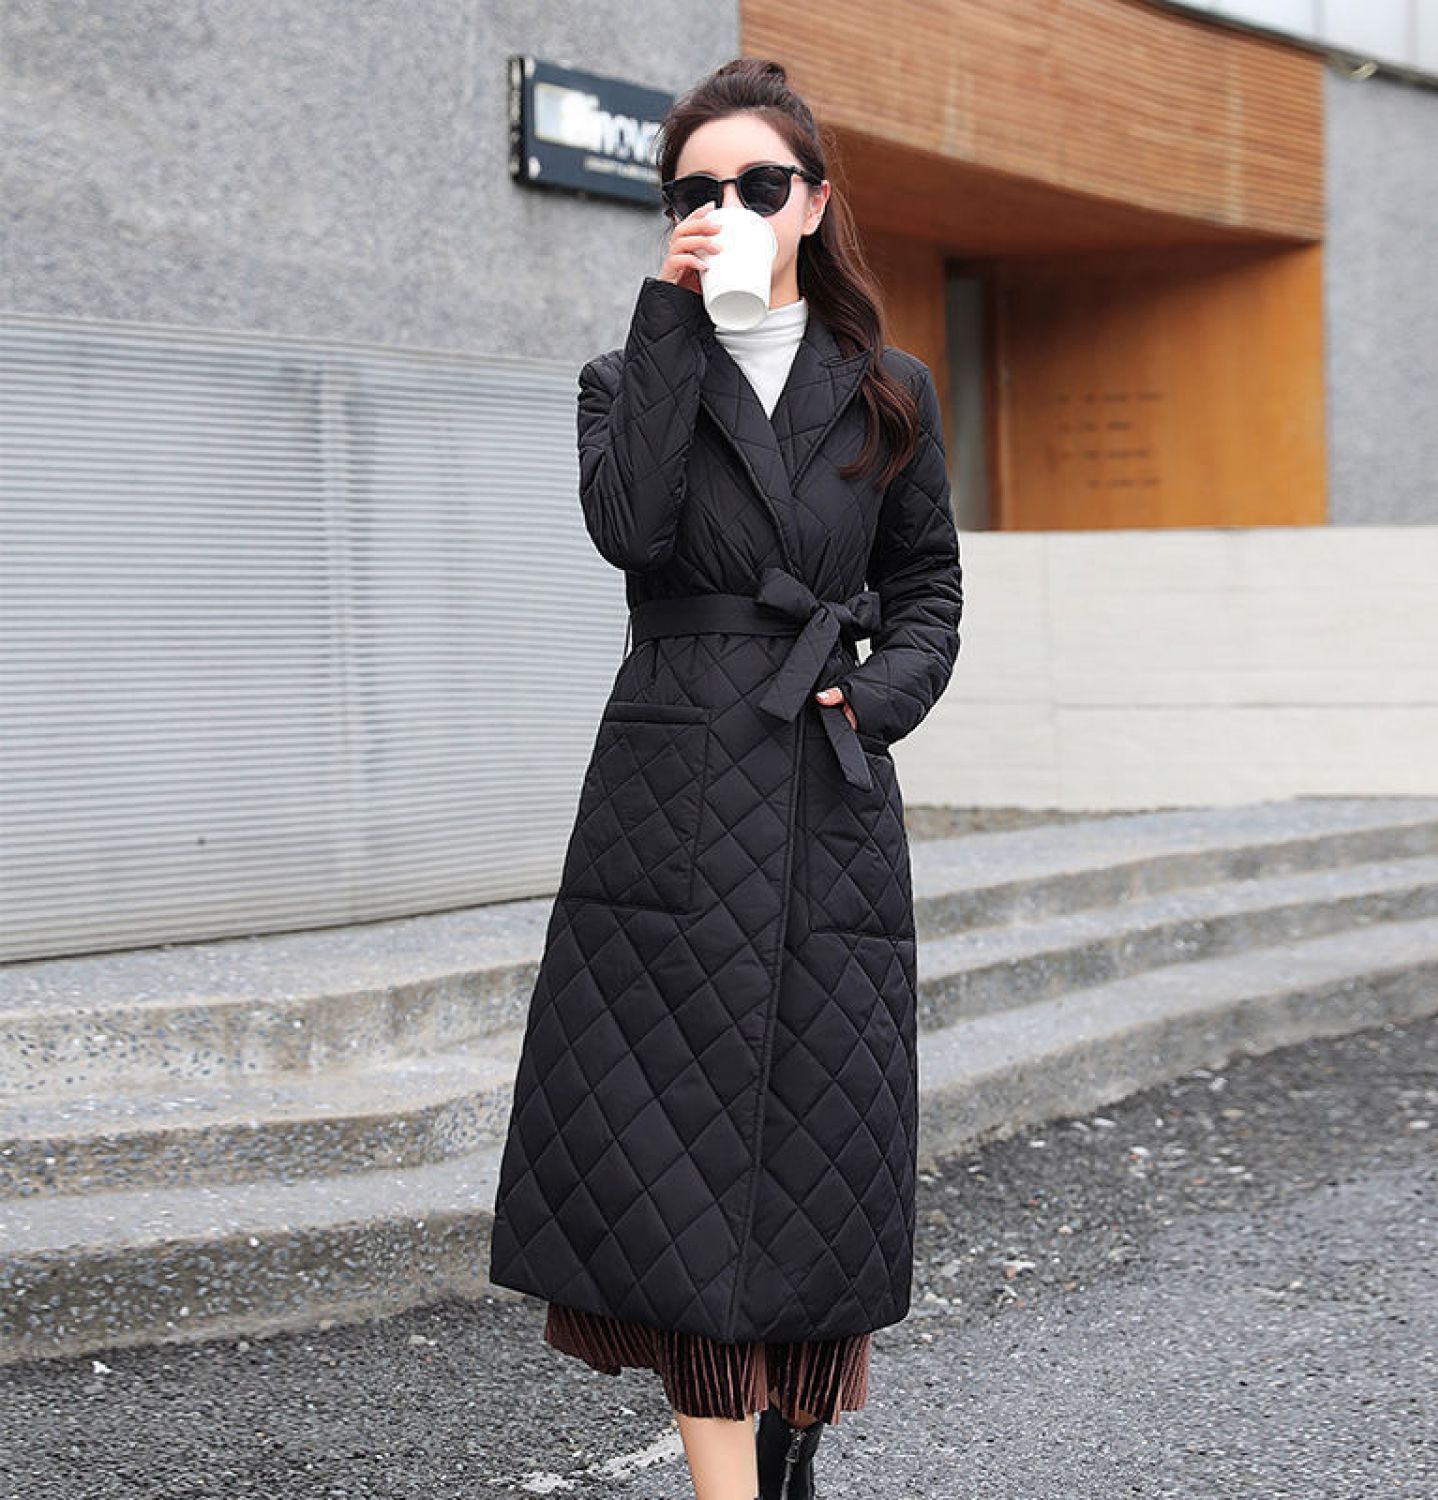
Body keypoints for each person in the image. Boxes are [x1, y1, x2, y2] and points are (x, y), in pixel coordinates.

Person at [489, 56, 963, 1500]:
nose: (729, 208)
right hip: (671, 799)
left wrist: (876, 698)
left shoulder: (889, 391)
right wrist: (669, 317)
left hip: (825, 792)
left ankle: (785, 1446)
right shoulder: (629, 376)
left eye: (760, 184)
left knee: (822, 1164)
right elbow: (631, 532)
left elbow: (928, 592)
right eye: (697, 190)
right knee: (673, 1171)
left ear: (812, 202)